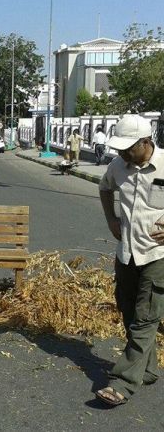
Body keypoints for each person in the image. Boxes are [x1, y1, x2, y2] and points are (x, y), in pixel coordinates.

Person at [96, 114, 164, 406]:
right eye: (120, 148)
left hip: (157, 254)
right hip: (127, 253)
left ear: (146, 142)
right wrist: (111, 218)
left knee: (146, 316)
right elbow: (104, 188)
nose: (122, 153)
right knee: (127, 310)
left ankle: (123, 381)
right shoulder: (117, 166)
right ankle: (147, 369)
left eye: (128, 148)